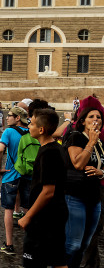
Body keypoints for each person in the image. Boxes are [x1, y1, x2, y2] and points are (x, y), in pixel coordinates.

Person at [18, 109, 68, 268]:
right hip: (56, 214)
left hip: (45, 218)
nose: (28, 127)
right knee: (58, 260)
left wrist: (28, 216)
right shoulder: (57, 147)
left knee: (33, 262)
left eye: (31, 124)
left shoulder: (48, 153)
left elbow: (48, 191)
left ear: (41, 130)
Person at [63, 98, 104, 267]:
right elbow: (78, 164)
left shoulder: (101, 143)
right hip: (75, 197)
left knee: (85, 245)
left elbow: (101, 166)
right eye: (91, 117)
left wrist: (101, 173)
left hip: (94, 199)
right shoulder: (76, 137)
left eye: (99, 117)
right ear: (82, 121)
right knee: (73, 245)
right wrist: (91, 141)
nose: (96, 120)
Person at [0, 106, 31, 255]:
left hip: (11, 174)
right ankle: (31, 244)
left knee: (8, 210)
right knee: (28, 209)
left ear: (17, 118)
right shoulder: (31, 132)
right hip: (28, 175)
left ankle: (9, 244)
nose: (7, 117)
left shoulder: (9, 131)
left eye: (10, 115)